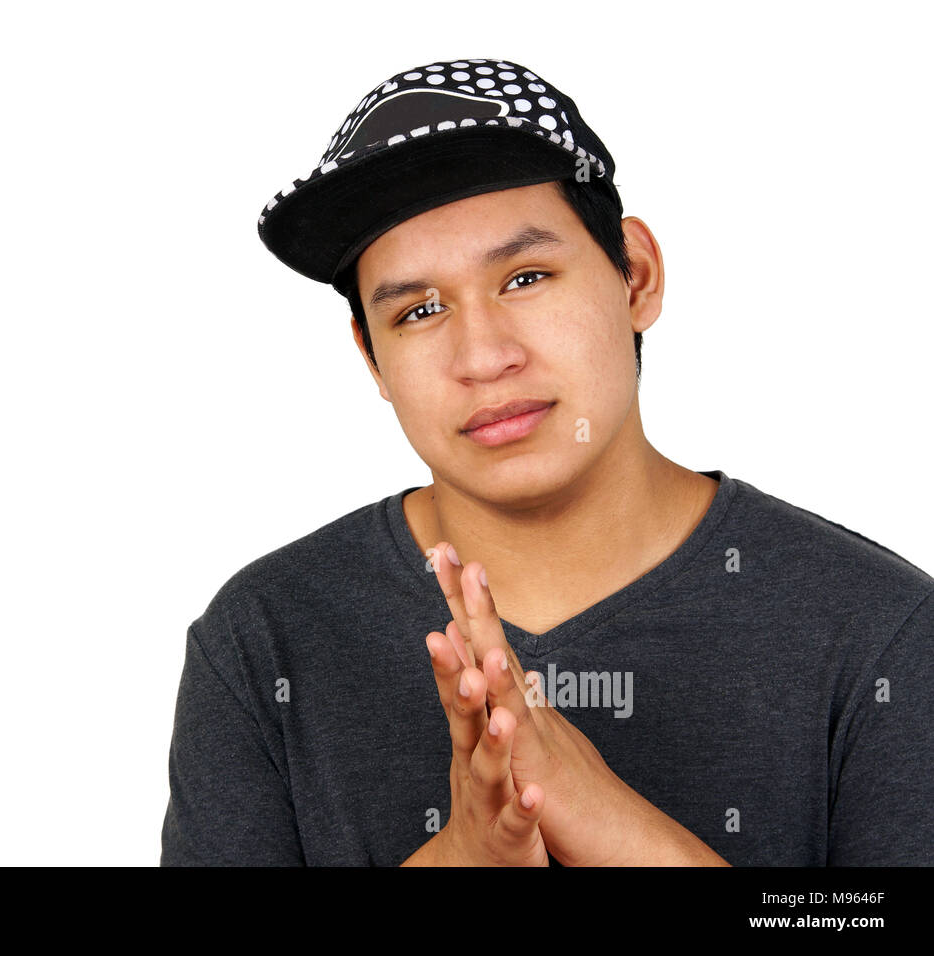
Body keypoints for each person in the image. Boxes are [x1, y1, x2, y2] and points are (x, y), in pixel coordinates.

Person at [160, 58, 934, 866]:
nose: (484, 355)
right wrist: (462, 857)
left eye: (526, 276)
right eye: (419, 310)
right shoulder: (264, 642)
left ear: (635, 275)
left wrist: (619, 830)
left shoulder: (884, 636)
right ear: (371, 356)